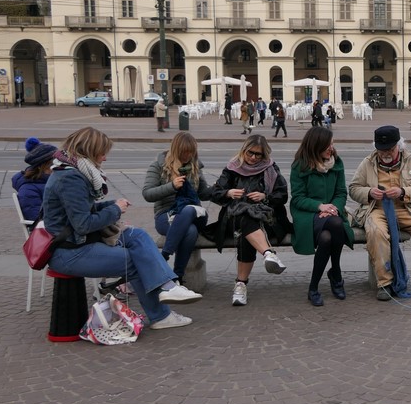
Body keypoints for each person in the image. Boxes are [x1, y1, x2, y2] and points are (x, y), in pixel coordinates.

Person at [43, 127, 201, 330]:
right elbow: (83, 225)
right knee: (133, 260)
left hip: (76, 244)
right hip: (69, 252)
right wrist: (115, 210)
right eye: (102, 153)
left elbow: (81, 212)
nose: (104, 158)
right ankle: (161, 315)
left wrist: (109, 205)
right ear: (89, 152)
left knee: (137, 235)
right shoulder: (70, 179)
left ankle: (169, 287)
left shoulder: (71, 171)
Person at [350, 126, 411, 301]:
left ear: (399, 146)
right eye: (382, 150)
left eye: (390, 149)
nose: (386, 153)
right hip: (377, 210)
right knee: (376, 232)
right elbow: (353, 189)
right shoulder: (367, 163)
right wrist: (369, 193)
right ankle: (385, 283)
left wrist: (403, 192)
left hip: (408, 209)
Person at [210, 135, 291, 307]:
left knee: (246, 227)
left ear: (264, 155)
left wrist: (265, 197)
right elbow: (215, 192)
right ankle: (268, 254)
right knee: (244, 217)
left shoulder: (270, 168)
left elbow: (282, 195)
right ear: (243, 150)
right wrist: (229, 193)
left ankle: (240, 285)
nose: (253, 157)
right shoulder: (232, 168)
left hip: (268, 220)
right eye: (250, 153)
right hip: (234, 218)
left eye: (258, 155)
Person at [289, 127, 355, 306]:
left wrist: (333, 208)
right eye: (327, 145)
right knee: (335, 224)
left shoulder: (336, 163)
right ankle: (336, 272)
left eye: (332, 144)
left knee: (327, 237)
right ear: (315, 146)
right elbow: (298, 198)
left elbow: (341, 192)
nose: (331, 148)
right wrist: (320, 206)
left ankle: (313, 287)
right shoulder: (300, 166)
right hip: (307, 215)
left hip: (332, 213)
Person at [142, 131, 213, 284]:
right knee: (190, 231)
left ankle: (164, 257)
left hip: (194, 214)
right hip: (166, 215)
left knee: (188, 209)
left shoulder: (195, 167)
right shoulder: (158, 166)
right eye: (184, 153)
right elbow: (147, 194)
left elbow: (204, 193)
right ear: (176, 150)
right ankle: (178, 277)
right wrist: (171, 186)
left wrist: (221, 189)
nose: (187, 156)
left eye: (191, 153)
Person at [12, 137, 56, 221]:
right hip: (50, 230)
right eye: (54, 164)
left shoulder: (54, 180)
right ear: (41, 167)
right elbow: (36, 218)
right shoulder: (28, 189)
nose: (59, 167)